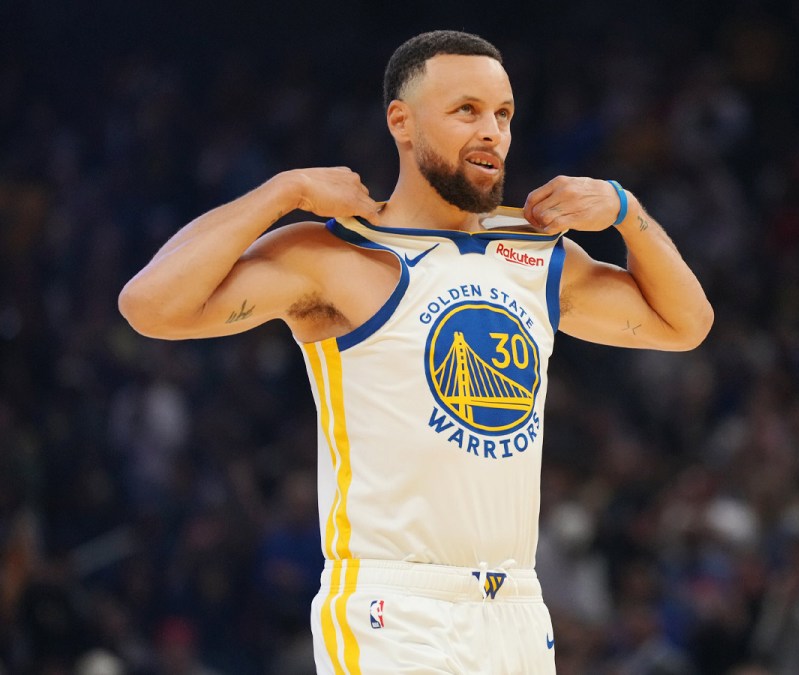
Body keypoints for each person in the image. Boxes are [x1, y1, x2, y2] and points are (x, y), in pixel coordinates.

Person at [118, 30, 712, 675]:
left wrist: (626, 212)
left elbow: (685, 325)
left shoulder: (541, 254)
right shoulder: (337, 254)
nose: (492, 131)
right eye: (466, 111)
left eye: (503, 114)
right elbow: (150, 306)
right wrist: (282, 192)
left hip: (514, 605)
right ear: (401, 121)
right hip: (392, 606)